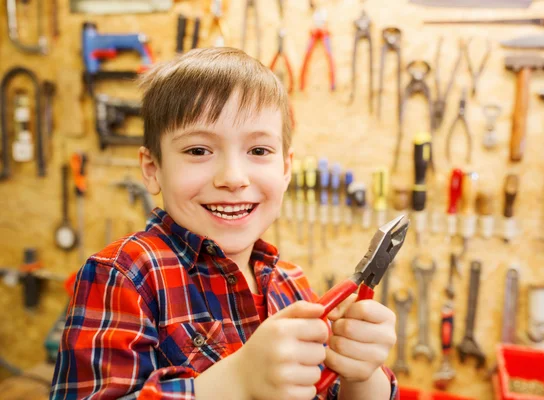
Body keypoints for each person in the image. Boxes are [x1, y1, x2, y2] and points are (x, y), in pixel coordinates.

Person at [50, 47, 398, 400]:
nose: (233, 178)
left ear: (286, 169)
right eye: (198, 150)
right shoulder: (125, 275)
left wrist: (363, 376)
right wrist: (236, 381)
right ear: (152, 168)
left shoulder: (291, 285)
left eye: (259, 151)